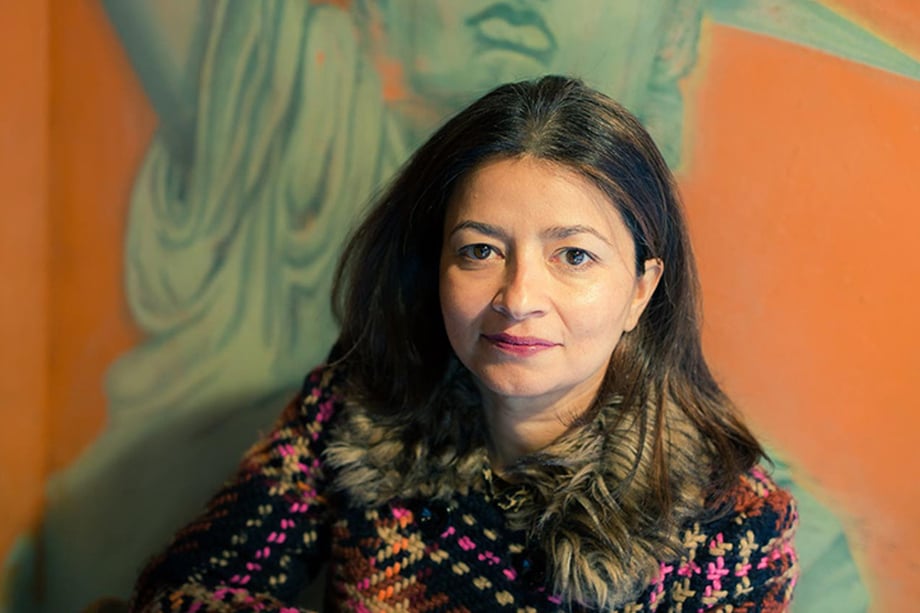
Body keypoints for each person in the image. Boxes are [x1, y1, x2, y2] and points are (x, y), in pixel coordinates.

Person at [129, 76, 796, 612]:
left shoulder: (730, 521)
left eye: (574, 256)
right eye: (480, 250)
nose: (517, 296)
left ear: (642, 290)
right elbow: (183, 588)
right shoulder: (361, 410)